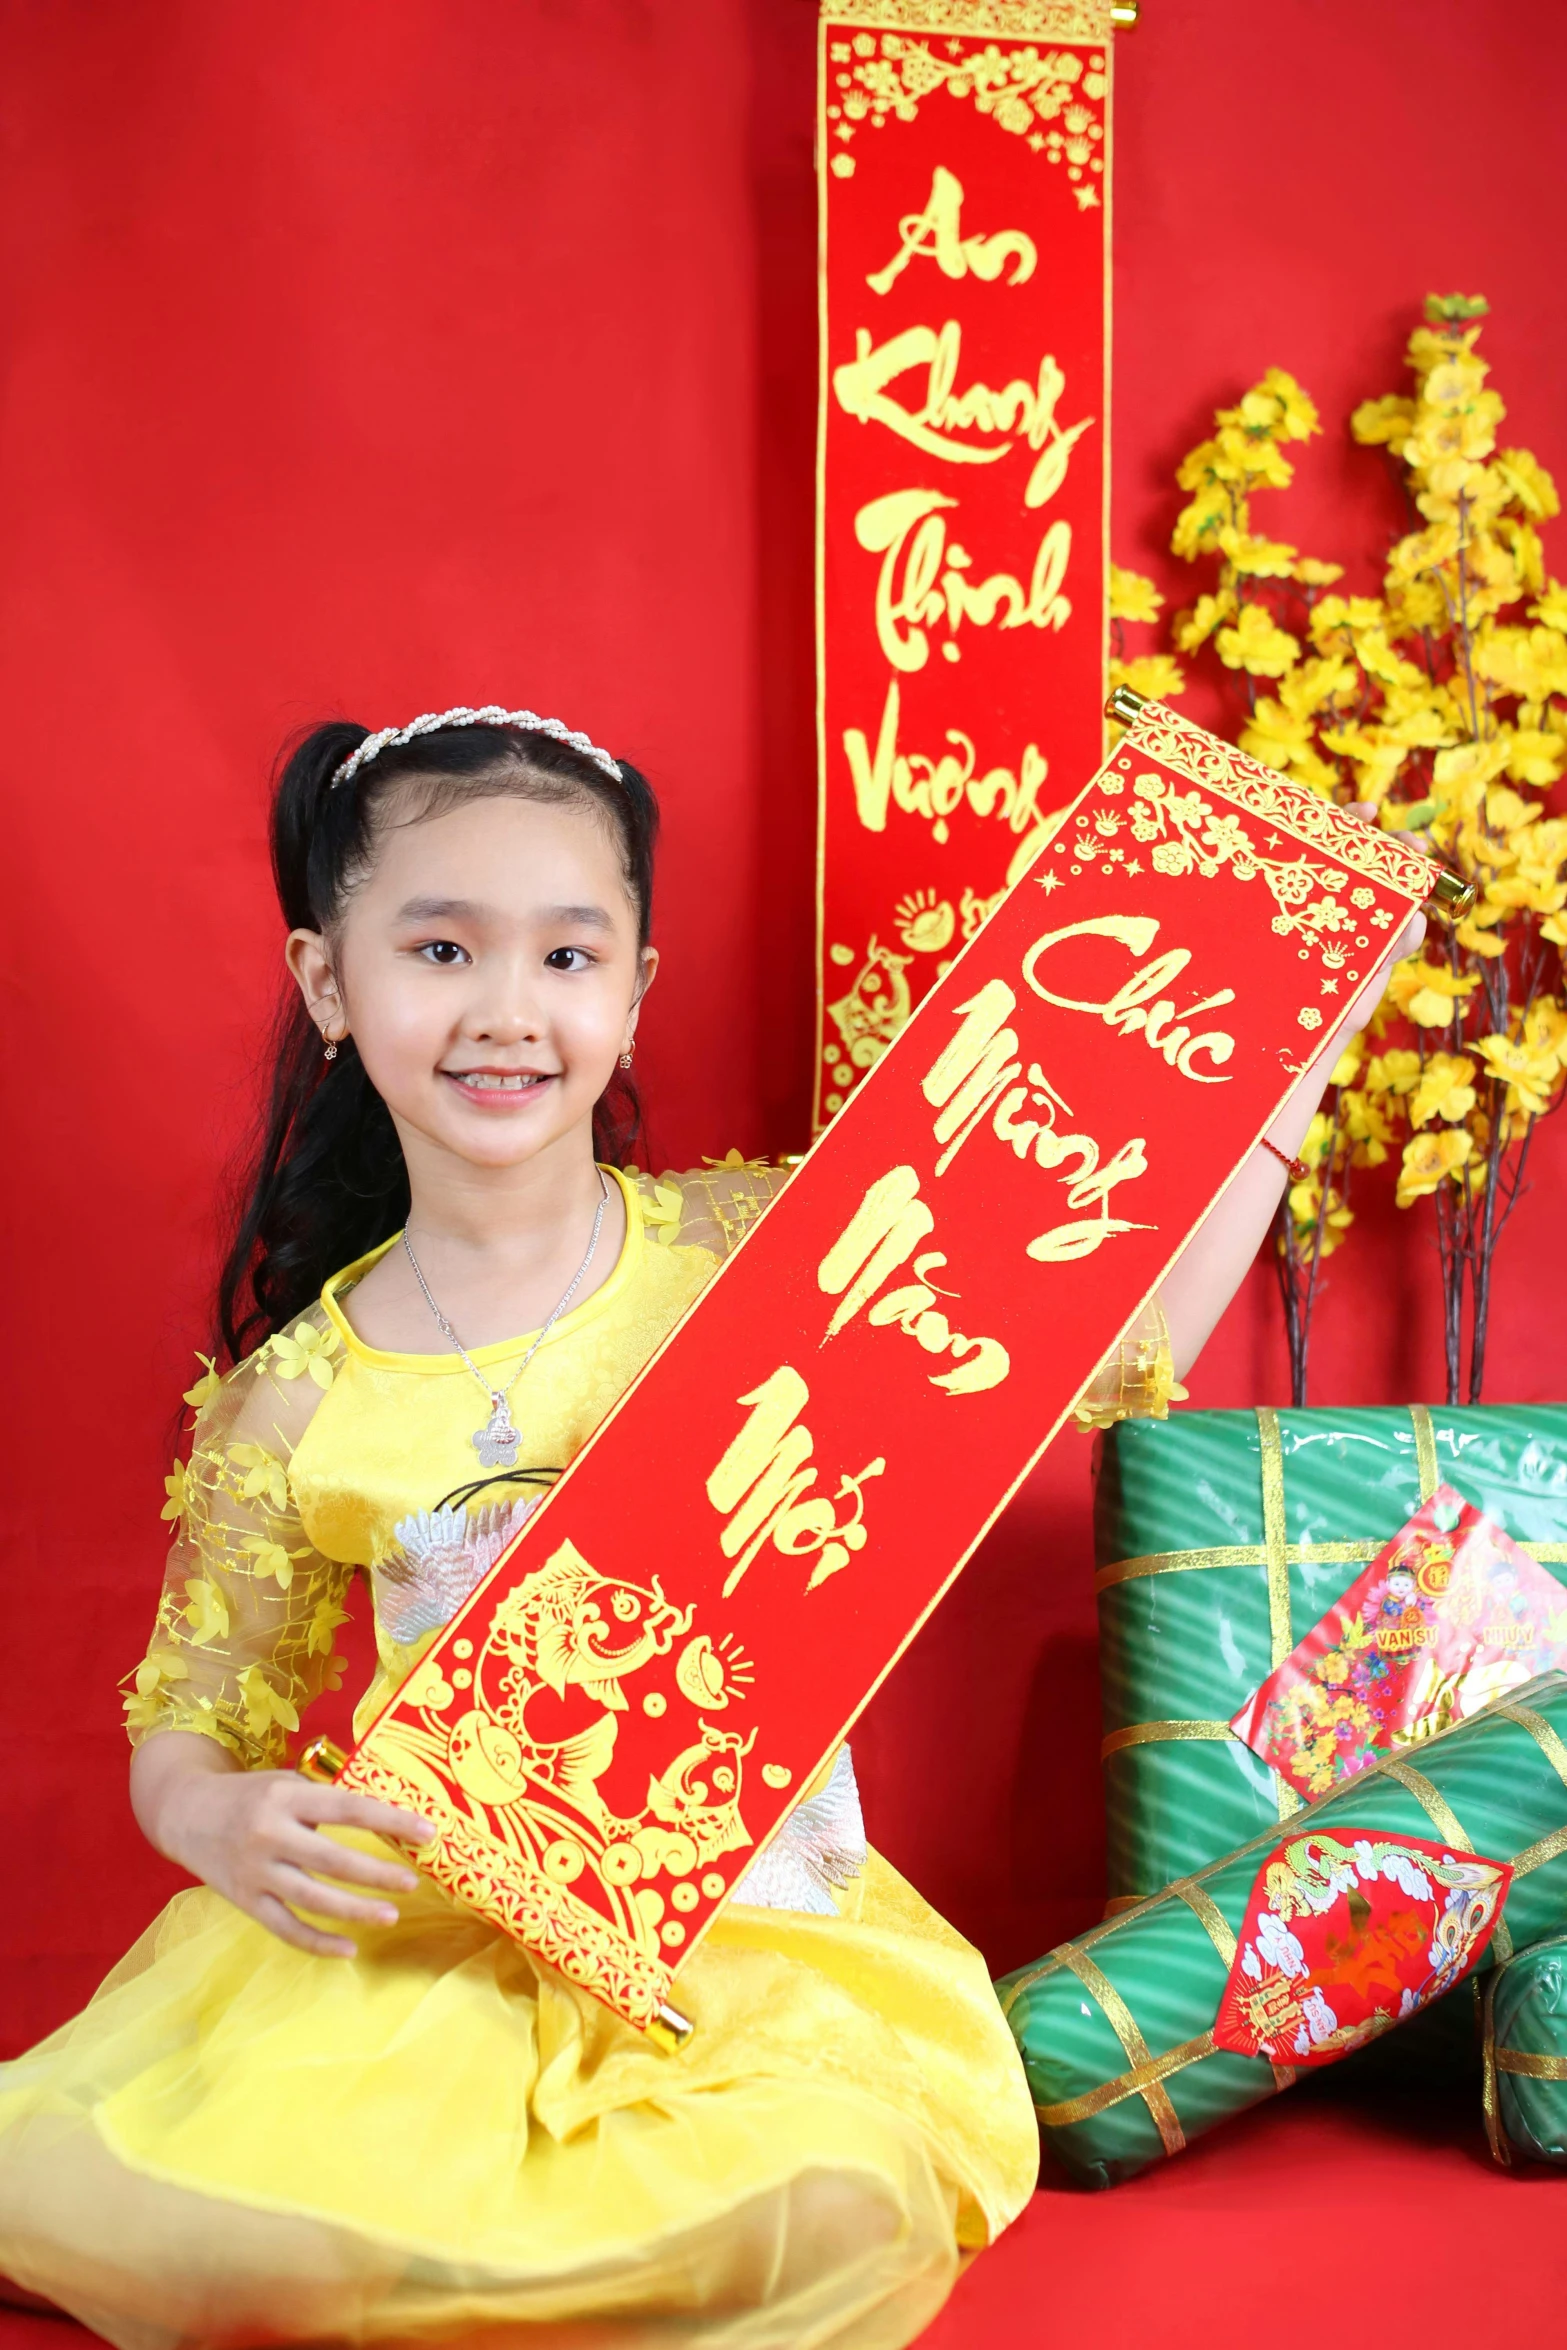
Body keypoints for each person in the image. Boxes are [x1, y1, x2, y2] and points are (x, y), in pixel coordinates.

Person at [0, 709, 1415, 2350]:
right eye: (441, 946)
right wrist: (218, 1820)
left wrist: (1295, 1050)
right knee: (255, 2245)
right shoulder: (292, 1396)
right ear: (329, 983)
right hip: (423, 1966)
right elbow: (189, 1725)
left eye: (567, 953)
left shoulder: (777, 1253)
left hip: (757, 1953)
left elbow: (1121, 1334)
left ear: (635, 989)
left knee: (821, 2218)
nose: (506, 1011)